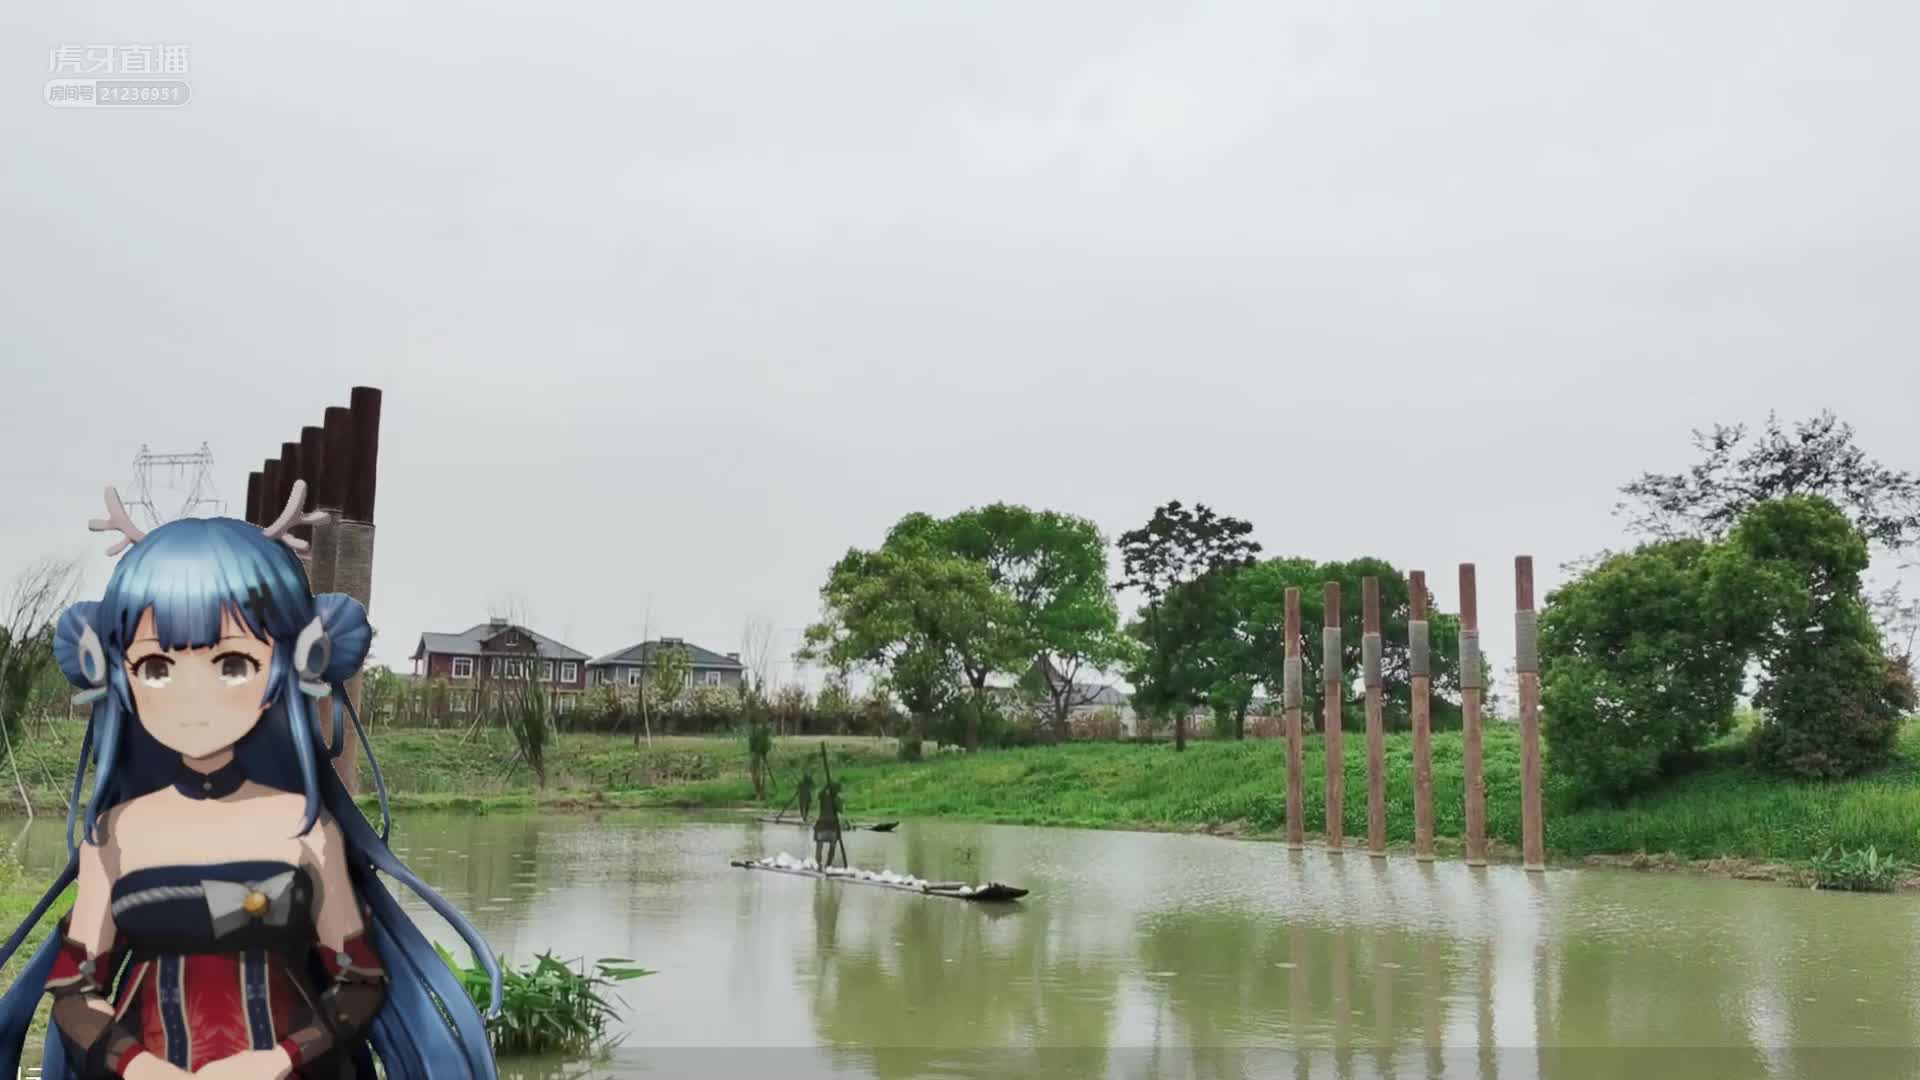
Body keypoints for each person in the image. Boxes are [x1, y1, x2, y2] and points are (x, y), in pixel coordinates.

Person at [0, 483, 503, 1080]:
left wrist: (278, 1059)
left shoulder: (306, 828)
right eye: (157, 667)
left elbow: (359, 982)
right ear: (114, 671)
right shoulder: (115, 834)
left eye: (232, 664)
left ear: (297, 658)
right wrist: (136, 1065)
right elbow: (75, 987)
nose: (192, 698)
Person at [812, 780, 842, 869]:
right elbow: (840, 810)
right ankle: (828, 864)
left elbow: (820, 794)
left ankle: (819, 864)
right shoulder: (836, 799)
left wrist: (826, 786)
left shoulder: (825, 797)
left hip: (822, 825)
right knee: (832, 846)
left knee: (819, 845)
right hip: (832, 827)